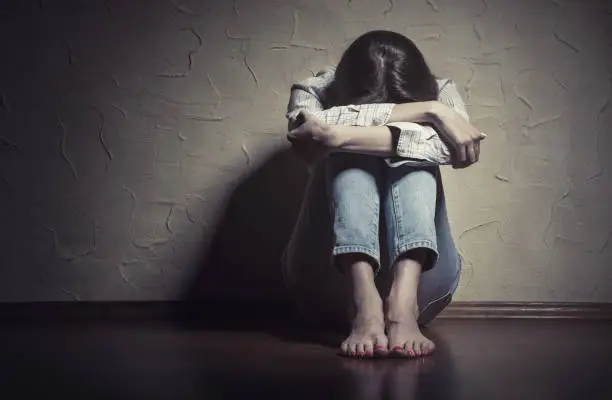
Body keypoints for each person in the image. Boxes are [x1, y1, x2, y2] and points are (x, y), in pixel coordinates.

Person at [282, 30, 485, 359]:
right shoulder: (313, 90)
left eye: (430, 106)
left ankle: (402, 304)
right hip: (324, 284)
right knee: (349, 154)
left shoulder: (442, 92)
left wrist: (344, 132)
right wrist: (430, 114)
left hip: (426, 288)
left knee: (413, 157)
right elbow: (310, 132)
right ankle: (363, 298)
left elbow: (455, 150)